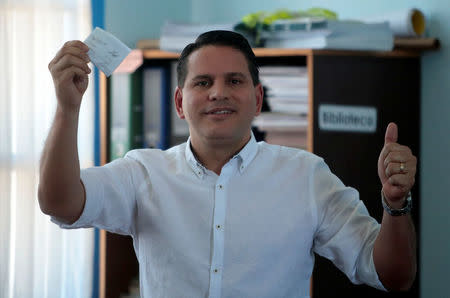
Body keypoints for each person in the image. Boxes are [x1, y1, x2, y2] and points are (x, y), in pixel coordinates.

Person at [40, 30, 417, 298]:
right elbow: (60, 203)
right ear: (179, 103)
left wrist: (395, 205)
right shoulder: (143, 173)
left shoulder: (306, 176)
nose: (218, 92)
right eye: (202, 82)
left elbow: (391, 274)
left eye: (233, 80)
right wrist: (67, 108)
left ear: (256, 99)